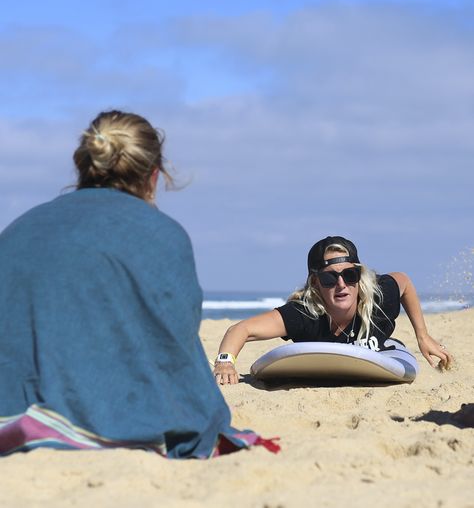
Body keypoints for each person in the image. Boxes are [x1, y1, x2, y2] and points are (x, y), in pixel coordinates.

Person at [0, 110, 271, 458]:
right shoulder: (162, 236)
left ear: (84, 167)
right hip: (99, 423)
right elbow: (172, 352)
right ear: (154, 175)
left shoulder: (21, 227)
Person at [214, 235, 452, 385]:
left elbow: (405, 282)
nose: (341, 285)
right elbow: (241, 328)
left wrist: (422, 335)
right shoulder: (304, 314)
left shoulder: (378, 297)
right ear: (315, 283)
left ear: (359, 276)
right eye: (329, 278)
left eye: (350, 275)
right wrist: (225, 362)